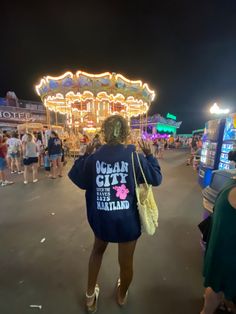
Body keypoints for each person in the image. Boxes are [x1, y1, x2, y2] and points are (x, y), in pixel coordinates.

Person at [68, 115, 162, 312]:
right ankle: (121, 295)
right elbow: (156, 178)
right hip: (127, 219)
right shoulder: (134, 156)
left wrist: (86, 154)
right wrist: (150, 155)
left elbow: (78, 179)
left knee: (97, 251)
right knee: (126, 262)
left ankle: (90, 296)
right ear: (126, 133)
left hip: (101, 217)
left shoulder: (94, 158)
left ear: (104, 132)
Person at [200, 151, 236, 314]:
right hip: (227, 255)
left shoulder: (230, 184)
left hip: (221, 251)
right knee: (215, 289)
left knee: (215, 289)